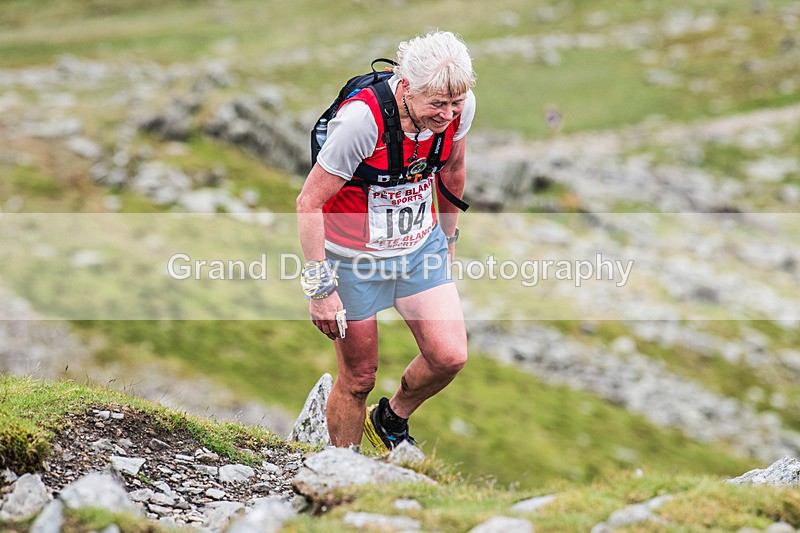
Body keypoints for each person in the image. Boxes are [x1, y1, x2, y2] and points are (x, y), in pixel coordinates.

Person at [296, 30, 476, 451]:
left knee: (449, 356)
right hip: (352, 258)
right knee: (358, 378)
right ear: (407, 86)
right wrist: (320, 288)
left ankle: (390, 419)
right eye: (437, 104)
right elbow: (308, 202)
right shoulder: (362, 121)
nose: (448, 114)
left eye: (455, 103)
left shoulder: (459, 106)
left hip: (419, 248)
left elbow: (452, 172)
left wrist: (448, 240)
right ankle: (341, 475)